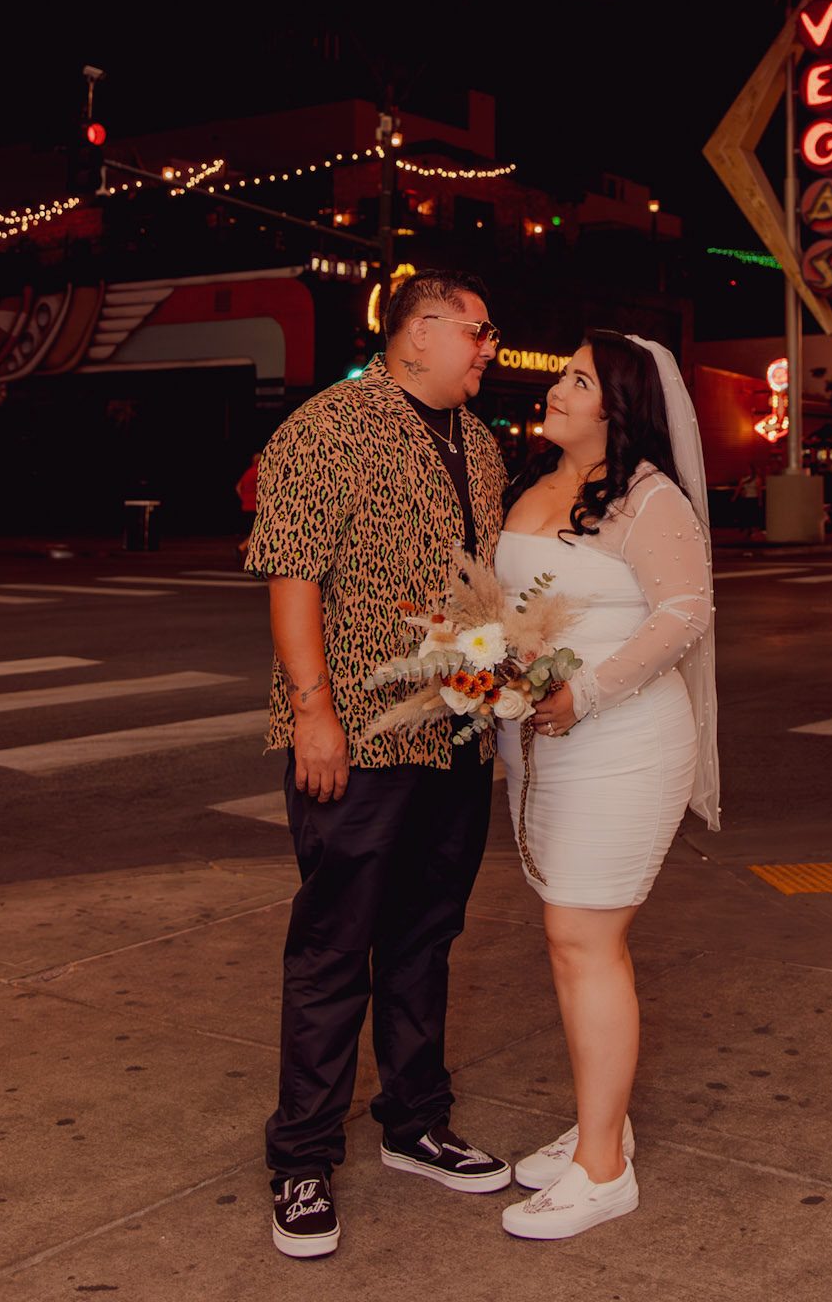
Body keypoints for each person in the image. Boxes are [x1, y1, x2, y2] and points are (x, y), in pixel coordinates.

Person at [247, 270, 511, 1260]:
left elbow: (477, 583)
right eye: (479, 330)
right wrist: (313, 711)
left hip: (455, 731)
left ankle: (415, 1120)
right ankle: (301, 1158)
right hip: (358, 733)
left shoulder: (479, 443)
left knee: (425, 936)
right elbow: (291, 571)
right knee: (333, 946)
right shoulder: (327, 426)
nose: (489, 347)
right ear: (421, 330)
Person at [494, 331, 719, 1241]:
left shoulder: (649, 497)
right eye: (563, 373)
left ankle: (602, 1172)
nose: (557, 387)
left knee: (582, 936)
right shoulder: (535, 482)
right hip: (540, 744)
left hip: (622, 741)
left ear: (616, 405)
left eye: (579, 380)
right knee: (570, 940)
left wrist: (583, 692)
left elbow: (685, 613)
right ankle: (602, 1121)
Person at [234, 449, 261, 555]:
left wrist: (244, 498)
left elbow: (238, 487)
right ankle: (241, 548)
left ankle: (247, 550)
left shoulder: (248, 472)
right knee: (258, 531)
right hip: (254, 506)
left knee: (256, 531)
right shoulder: (258, 472)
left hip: (247, 506)